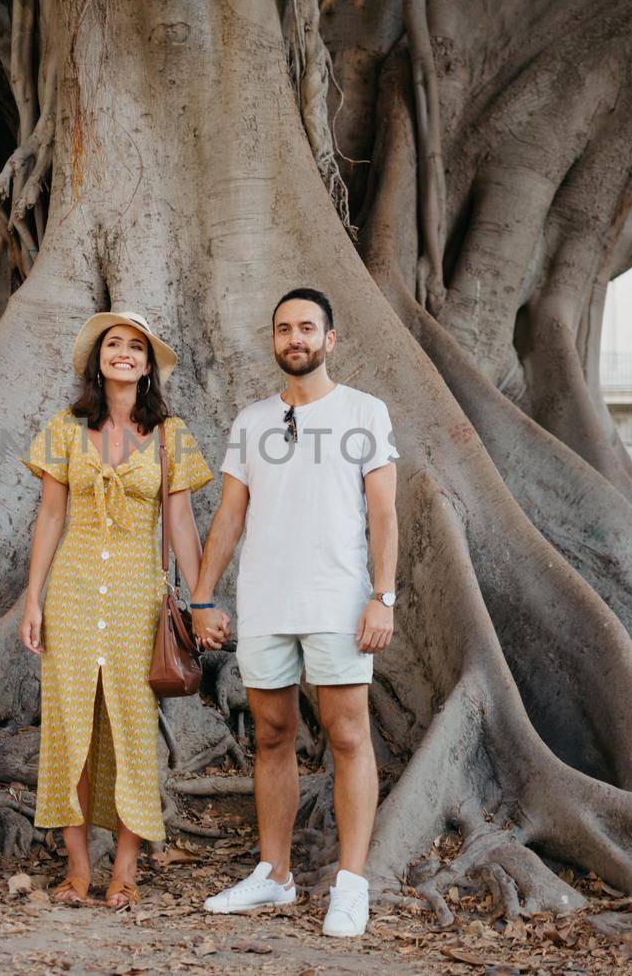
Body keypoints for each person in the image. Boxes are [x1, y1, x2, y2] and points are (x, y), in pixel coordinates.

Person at [189, 288, 399, 938]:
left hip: (337, 598)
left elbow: (385, 511)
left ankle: (351, 884)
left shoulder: (364, 411)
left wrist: (383, 594)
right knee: (272, 734)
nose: (295, 338)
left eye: (307, 327)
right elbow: (228, 515)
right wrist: (201, 596)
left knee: (346, 735)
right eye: (284, 328)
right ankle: (274, 875)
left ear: (330, 338)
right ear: (274, 340)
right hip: (265, 600)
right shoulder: (252, 420)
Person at [19, 310, 214, 910]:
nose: (124, 353)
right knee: (69, 726)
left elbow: (180, 520)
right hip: (73, 592)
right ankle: (78, 869)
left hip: (138, 597)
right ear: (98, 359)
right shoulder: (64, 428)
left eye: (136, 346)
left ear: (148, 364)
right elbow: (51, 516)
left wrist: (201, 598)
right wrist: (33, 597)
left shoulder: (171, 434)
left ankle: (125, 871)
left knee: (131, 729)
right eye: (114, 344)